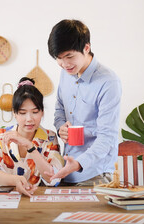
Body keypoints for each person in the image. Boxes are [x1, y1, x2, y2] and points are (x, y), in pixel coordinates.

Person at [47, 19, 122, 186]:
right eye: (59, 58)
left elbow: (107, 138)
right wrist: (61, 128)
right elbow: (59, 108)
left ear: (86, 48)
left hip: (96, 174)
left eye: (69, 56)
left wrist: (80, 163)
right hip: (67, 171)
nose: (64, 64)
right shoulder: (66, 72)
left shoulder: (108, 82)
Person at [0, 77, 64, 197]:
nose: (29, 119)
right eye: (22, 113)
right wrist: (15, 181)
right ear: (14, 113)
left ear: (42, 112)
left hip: (34, 199)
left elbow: (53, 178)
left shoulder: (49, 138)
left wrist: (30, 147)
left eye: (35, 112)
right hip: (0, 199)